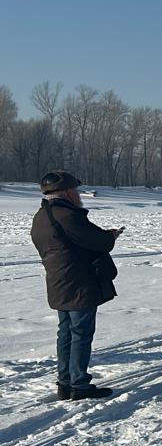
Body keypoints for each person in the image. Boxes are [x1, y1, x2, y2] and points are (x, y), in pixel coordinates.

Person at [29, 170, 122, 401]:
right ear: (69, 192)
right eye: (76, 191)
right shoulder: (68, 215)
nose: (78, 195)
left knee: (66, 333)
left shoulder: (41, 216)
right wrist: (110, 236)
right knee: (80, 333)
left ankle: (65, 382)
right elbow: (97, 241)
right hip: (78, 283)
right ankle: (79, 384)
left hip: (58, 281)